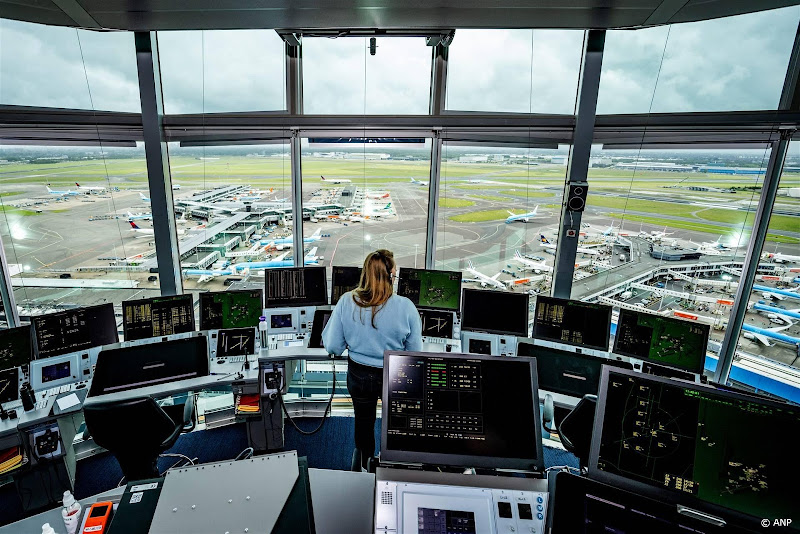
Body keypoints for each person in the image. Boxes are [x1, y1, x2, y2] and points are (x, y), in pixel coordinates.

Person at [322, 249, 422, 468]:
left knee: (363, 422)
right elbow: (415, 353)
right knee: (396, 423)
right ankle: (394, 463)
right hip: (394, 375)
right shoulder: (407, 307)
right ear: (390, 276)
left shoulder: (347, 301)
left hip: (359, 375)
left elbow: (333, 347)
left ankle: (365, 461)